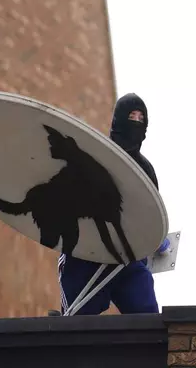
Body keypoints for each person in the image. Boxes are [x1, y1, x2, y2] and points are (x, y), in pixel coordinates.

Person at [53, 93, 165, 316]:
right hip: (86, 252)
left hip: (126, 259)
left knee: (147, 316)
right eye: (131, 116)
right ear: (119, 119)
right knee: (77, 322)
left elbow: (150, 212)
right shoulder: (93, 156)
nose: (136, 122)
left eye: (141, 118)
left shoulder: (146, 171)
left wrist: (155, 238)